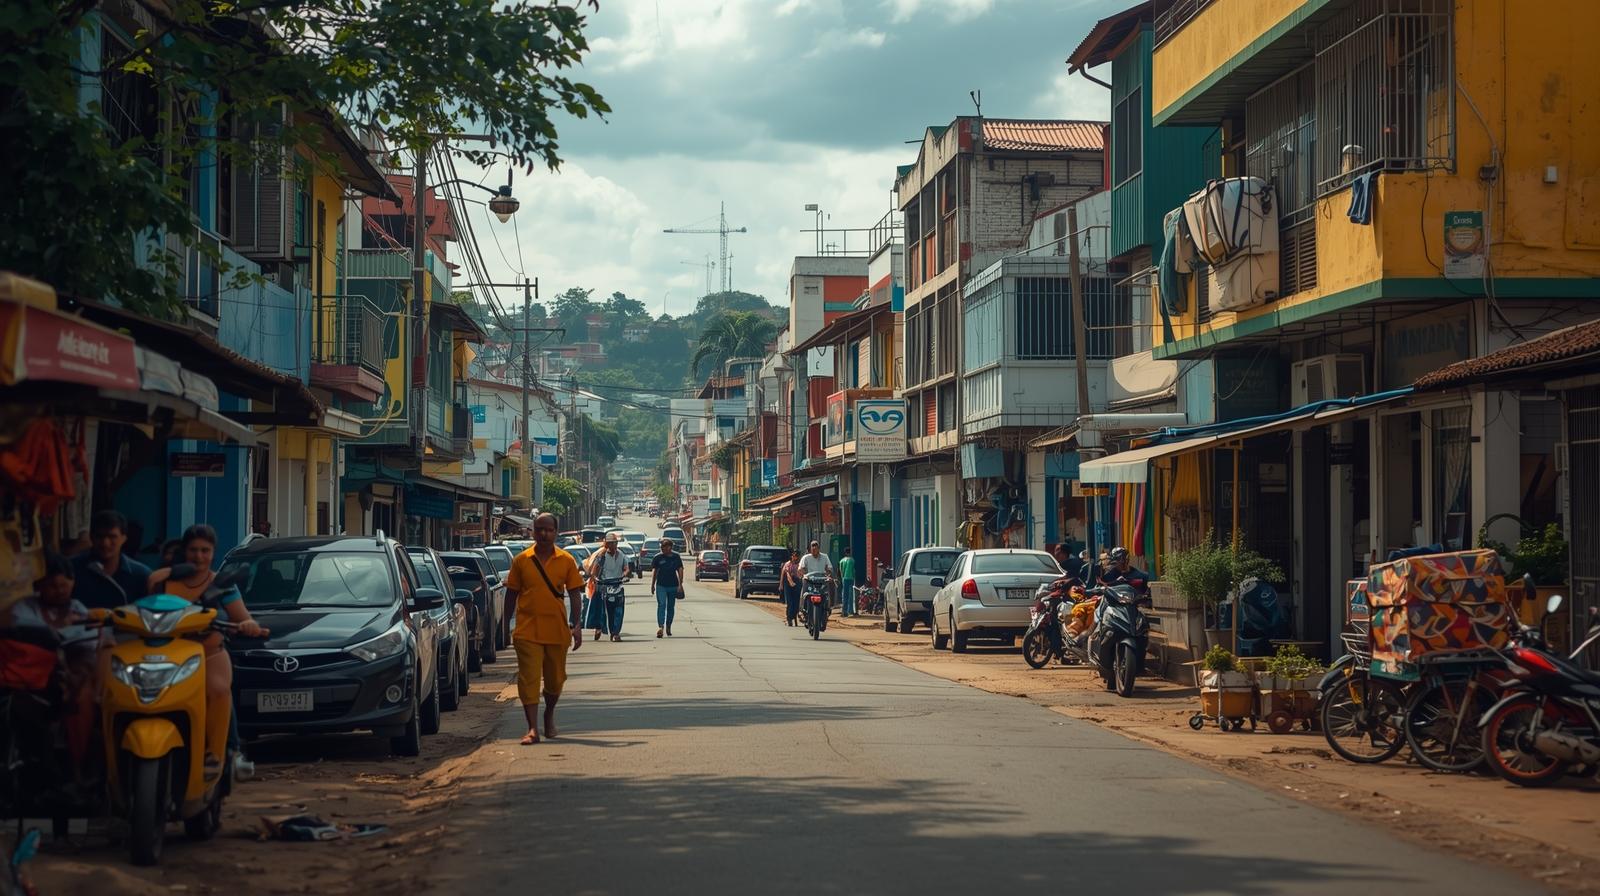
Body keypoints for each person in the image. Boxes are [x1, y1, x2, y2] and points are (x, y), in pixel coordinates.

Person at [146, 525, 266, 777]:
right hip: (168, 656)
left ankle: (219, 753)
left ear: (213, 553)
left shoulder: (221, 583)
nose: (199, 556)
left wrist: (248, 625)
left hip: (208, 652)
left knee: (219, 690)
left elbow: (243, 617)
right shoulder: (162, 581)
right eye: (193, 550)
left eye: (205, 550)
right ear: (183, 551)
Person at [502, 513, 584, 745]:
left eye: (548, 530)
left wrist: (576, 626)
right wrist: (505, 624)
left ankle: (549, 713)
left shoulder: (566, 560)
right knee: (528, 678)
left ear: (556, 532)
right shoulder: (521, 560)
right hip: (527, 630)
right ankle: (532, 728)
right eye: (539, 529)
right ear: (533, 531)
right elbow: (511, 594)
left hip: (557, 630)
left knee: (555, 680)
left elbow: (575, 594)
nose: (543, 534)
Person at [12, 553, 98, 768]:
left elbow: (89, 643)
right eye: (52, 585)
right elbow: (22, 633)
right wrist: (58, 626)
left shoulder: (77, 608)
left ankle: (80, 761)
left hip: (71, 672)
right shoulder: (24, 608)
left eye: (64, 585)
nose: (59, 590)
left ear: (73, 583)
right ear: (38, 585)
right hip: (33, 676)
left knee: (82, 692)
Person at [71, 509, 153, 610]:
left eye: (112, 537)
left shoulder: (141, 575)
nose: (105, 543)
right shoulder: (72, 569)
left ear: (124, 538)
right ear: (91, 537)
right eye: (99, 536)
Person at [585, 533, 630, 641]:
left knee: (618, 611)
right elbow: (595, 570)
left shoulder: (621, 555)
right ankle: (601, 628)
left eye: (614, 543)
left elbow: (626, 568)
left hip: (617, 585)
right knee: (605, 611)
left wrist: (624, 575)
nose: (612, 545)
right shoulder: (602, 556)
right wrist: (595, 578)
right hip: (604, 586)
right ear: (606, 544)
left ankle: (615, 633)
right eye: (609, 543)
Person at [650, 538, 685, 638]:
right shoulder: (658, 557)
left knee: (670, 607)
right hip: (661, 585)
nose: (662, 549)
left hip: (673, 585)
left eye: (664, 547)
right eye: (661, 547)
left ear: (670, 547)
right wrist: (652, 585)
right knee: (661, 605)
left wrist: (680, 584)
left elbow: (680, 569)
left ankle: (669, 625)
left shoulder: (676, 557)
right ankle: (661, 627)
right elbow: (655, 572)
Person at [799, 540, 835, 629]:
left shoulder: (824, 557)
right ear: (810, 548)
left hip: (822, 582)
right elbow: (801, 569)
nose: (814, 548)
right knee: (804, 593)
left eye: (816, 546)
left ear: (819, 548)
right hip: (810, 581)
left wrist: (829, 576)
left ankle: (828, 608)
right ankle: (802, 611)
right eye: (812, 546)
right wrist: (804, 575)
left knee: (829, 591)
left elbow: (829, 568)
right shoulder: (806, 558)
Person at [780, 549, 802, 627]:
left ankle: (794, 615)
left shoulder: (800, 565)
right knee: (789, 602)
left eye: (796, 556)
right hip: (787, 583)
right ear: (791, 556)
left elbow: (802, 574)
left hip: (797, 582)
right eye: (794, 556)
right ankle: (789, 618)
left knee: (796, 602)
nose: (795, 557)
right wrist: (781, 585)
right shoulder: (787, 564)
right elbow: (784, 574)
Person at [838, 547, 857, 617]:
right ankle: (850, 611)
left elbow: (841, 570)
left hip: (844, 579)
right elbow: (853, 570)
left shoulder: (841, 561)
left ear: (845, 553)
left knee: (844, 595)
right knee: (851, 595)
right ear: (850, 552)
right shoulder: (852, 560)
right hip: (851, 578)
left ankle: (844, 611)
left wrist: (842, 577)